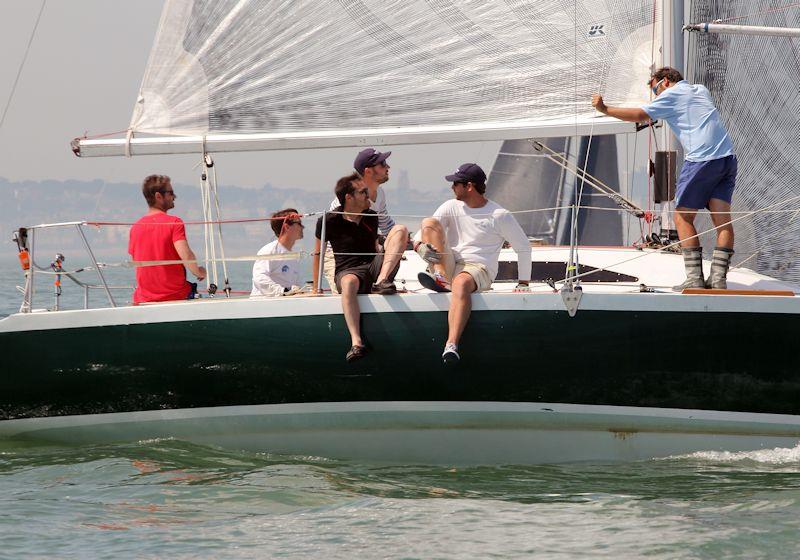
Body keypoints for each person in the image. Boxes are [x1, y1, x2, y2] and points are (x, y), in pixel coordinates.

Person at [591, 66, 737, 290]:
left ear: (666, 81)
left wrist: (605, 109)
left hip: (702, 159)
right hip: (727, 158)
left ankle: (694, 280)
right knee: (723, 223)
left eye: (655, 89)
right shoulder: (700, 89)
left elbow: (640, 115)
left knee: (682, 218)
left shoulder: (672, 93)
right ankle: (718, 281)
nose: (657, 95)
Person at [415, 163, 531, 364]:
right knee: (429, 222)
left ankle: (451, 345)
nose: (452, 187)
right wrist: (419, 247)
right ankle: (441, 278)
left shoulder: (499, 215)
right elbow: (420, 235)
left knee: (460, 283)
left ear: (469, 186)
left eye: (456, 183)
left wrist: (523, 283)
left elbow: (524, 247)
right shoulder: (450, 206)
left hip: (479, 267)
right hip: (451, 262)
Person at [313, 173, 409, 362]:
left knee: (401, 230)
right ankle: (356, 342)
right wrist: (316, 288)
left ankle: (381, 281)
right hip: (348, 270)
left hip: (374, 270)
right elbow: (319, 254)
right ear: (348, 197)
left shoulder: (371, 217)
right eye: (363, 192)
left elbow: (375, 246)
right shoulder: (328, 220)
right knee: (349, 283)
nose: (368, 195)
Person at [323, 148, 397, 293]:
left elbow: (386, 224)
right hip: (340, 258)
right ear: (368, 171)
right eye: (382, 164)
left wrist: (410, 242)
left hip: (366, 256)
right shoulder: (344, 201)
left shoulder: (379, 193)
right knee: (347, 294)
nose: (388, 167)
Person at [128, 174, 206, 304]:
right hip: (175, 296)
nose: (174, 196)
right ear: (158, 196)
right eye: (170, 193)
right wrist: (199, 272)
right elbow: (186, 255)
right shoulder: (174, 223)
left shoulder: (135, 228)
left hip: (143, 299)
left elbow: (138, 262)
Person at [250, 208, 305, 297]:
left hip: (285, 304)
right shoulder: (269, 251)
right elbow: (259, 278)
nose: (303, 227)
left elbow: (298, 284)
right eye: (299, 223)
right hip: (264, 305)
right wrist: (283, 291)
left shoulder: (293, 256)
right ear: (287, 227)